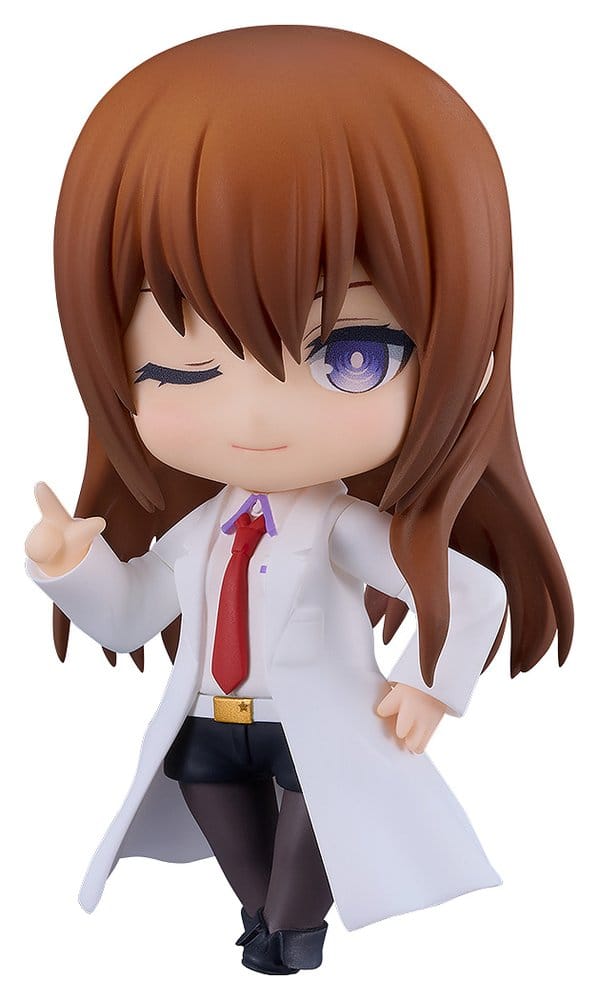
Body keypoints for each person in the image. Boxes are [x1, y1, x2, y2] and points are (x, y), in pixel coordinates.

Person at [25, 25, 573, 976]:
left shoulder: (339, 528)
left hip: (309, 733)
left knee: (299, 873)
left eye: (347, 354)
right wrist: (71, 565)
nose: (254, 415)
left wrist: (429, 687)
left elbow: (473, 590)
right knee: (238, 857)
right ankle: (270, 928)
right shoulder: (203, 530)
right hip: (209, 727)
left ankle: (289, 944)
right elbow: (132, 613)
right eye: (180, 368)